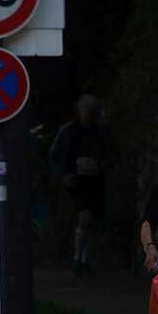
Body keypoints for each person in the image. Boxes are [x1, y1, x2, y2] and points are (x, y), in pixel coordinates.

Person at [49, 94, 112, 276]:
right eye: (85, 110)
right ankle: (78, 260)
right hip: (75, 183)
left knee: (92, 222)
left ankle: (85, 260)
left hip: (95, 181)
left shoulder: (101, 132)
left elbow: (112, 154)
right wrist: (63, 175)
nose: (87, 114)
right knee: (84, 219)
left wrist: (102, 165)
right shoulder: (68, 131)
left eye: (91, 110)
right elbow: (54, 156)